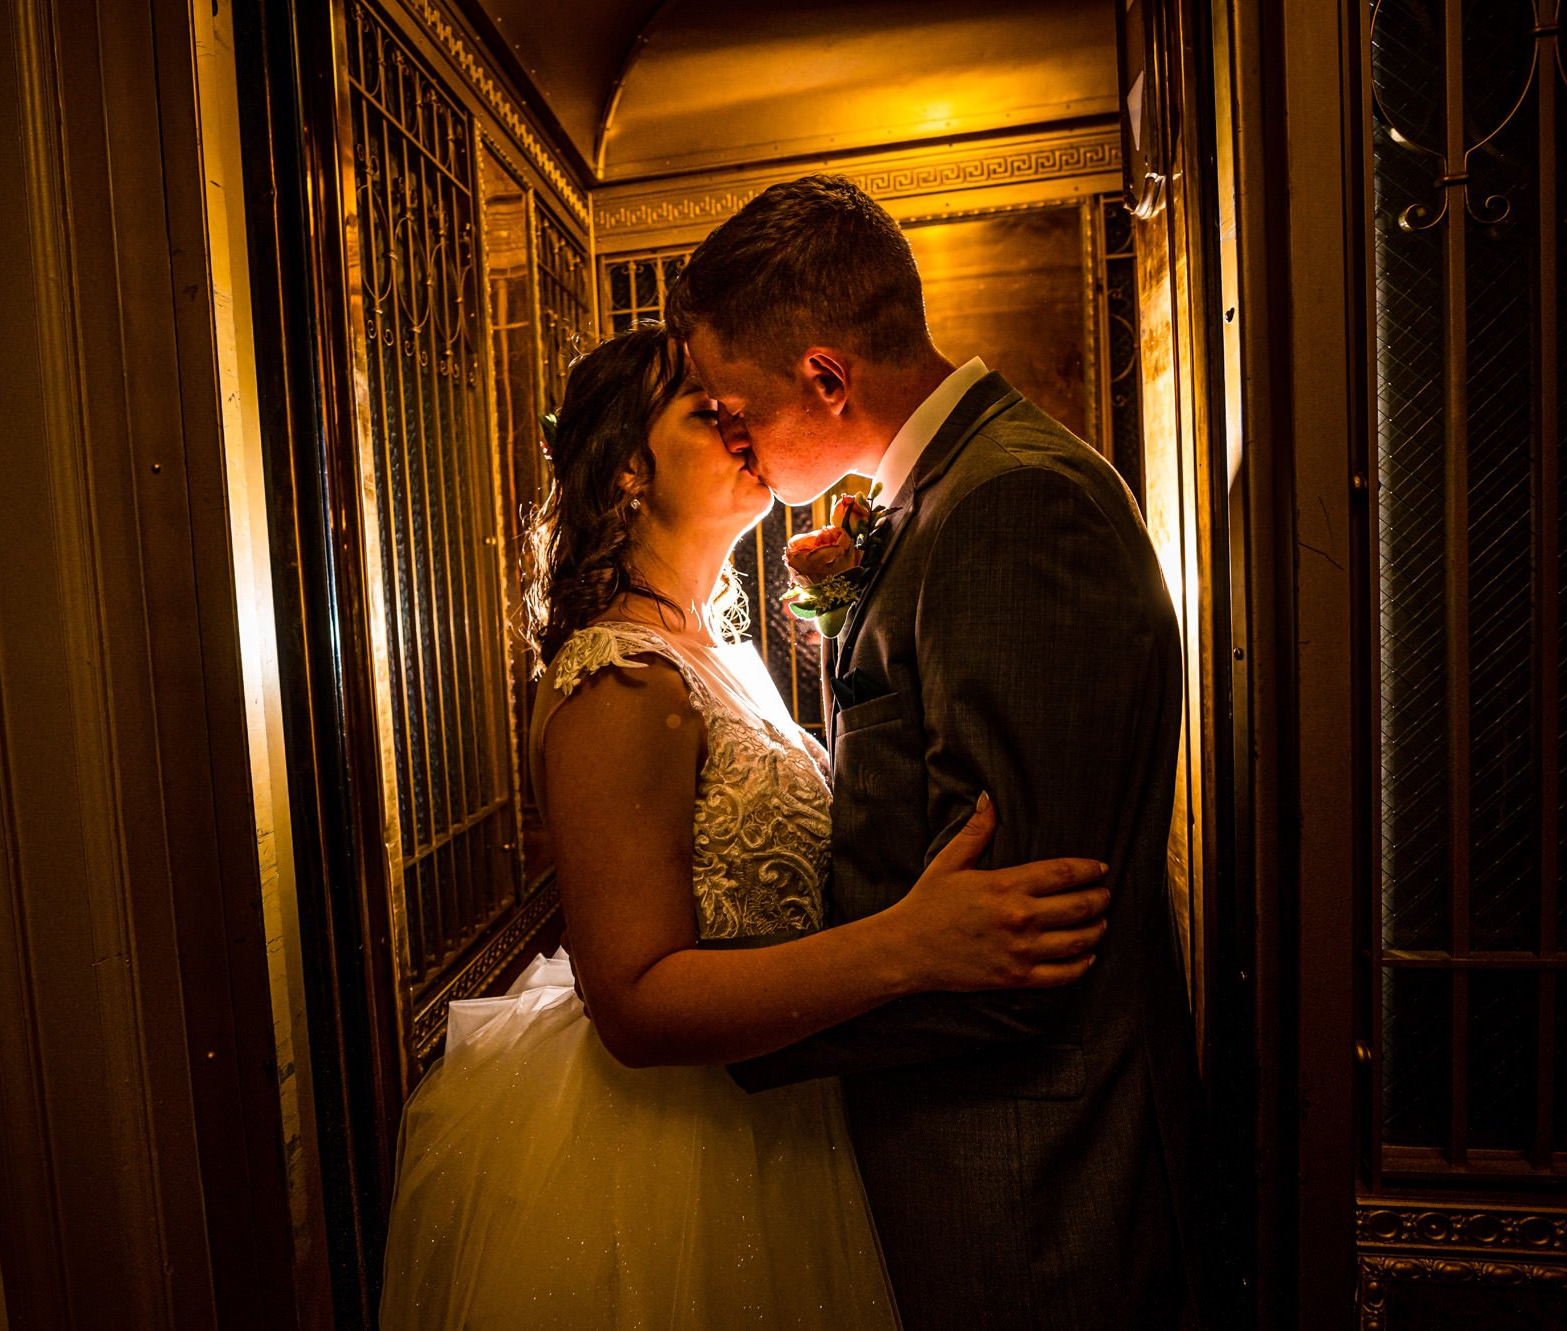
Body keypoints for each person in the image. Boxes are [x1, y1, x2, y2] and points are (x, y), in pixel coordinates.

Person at [377, 324, 1112, 1329]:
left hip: (793, 1112)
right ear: (629, 468)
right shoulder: (618, 677)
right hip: (676, 1154)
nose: (739, 423)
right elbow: (633, 1002)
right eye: (702, 408)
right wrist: (910, 944)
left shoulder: (718, 650)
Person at [666, 174, 1204, 1329]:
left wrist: (730, 1030)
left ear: (823, 375)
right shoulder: (945, 498)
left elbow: (1020, 944)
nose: (730, 434)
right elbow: (910, 777)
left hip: (1028, 1181)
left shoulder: (1011, 507)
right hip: (970, 1160)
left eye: (729, 402)